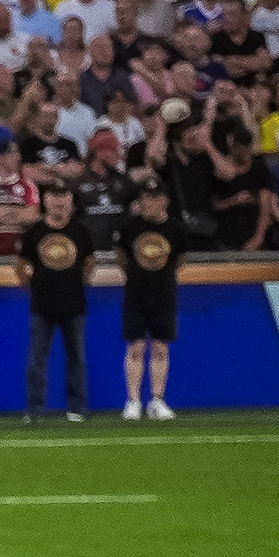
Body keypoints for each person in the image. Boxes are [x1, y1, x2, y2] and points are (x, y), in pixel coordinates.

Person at [15, 175, 91, 422]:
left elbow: (89, 263)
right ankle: (35, 409)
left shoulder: (80, 230)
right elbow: (22, 265)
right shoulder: (35, 232)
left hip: (74, 302)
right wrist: (34, 287)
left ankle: (76, 408)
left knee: (76, 358)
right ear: (45, 200)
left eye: (64, 197)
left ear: (71, 200)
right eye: (54, 197)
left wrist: (77, 283)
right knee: (36, 359)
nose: (59, 202)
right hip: (42, 304)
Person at [118, 177, 181, 420]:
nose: (147, 203)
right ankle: (133, 400)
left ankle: (157, 399)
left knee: (160, 348)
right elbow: (122, 257)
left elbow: (179, 259)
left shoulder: (174, 228)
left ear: (164, 201)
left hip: (164, 294)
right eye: (144, 197)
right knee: (134, 347)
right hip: (135, 294)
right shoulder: (131, 227)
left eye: (153, 198)